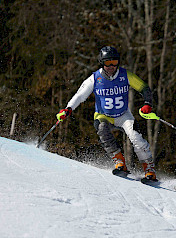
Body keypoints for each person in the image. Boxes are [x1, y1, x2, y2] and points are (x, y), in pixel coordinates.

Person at [56, 46, 156, 180]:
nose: (111, 66)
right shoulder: (95, 78)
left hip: (123, 115)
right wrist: (68, 109)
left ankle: (149, 169)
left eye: (114, 62)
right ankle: (120, 162)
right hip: (104, 115)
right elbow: (80, 96)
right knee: (102, 130)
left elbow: (144, 88)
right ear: (102, 63)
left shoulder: (125, 75)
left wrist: (147, 104)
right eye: (107, 63)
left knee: (135, 137)